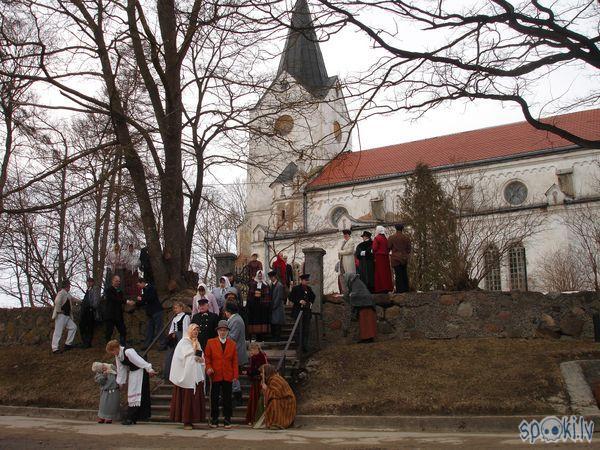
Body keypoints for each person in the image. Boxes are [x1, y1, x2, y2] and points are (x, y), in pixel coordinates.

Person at [106, 339, 156, 425]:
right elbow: (121, 369)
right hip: (133, 373)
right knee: (132, 393)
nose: (113, 353)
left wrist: (149, 369)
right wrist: (120, 382)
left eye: (112, 351)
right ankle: (132, 417)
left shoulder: (128, 352)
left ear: (116, 348)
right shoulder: (118, 356)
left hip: (140, 372)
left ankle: (133, 417)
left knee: (139, 394)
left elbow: (139, 361)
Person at [169, 323, 206, 430]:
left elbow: (199, 356)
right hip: (186, 374)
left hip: (196, 373)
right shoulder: (184, 342)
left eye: (197, 330)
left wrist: (201, 359)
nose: (196, 332)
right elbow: (182, 356)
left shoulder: (197, 343)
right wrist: (192, 351)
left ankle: (194, 419)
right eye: (194, 330)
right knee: (187, 397)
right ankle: (186, 420)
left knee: (195, 397)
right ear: (190, 330)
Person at [204, 320, 239, 429]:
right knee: (214, 398)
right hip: (215, 374)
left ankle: (227, 419)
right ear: (217, 331)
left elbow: (234, 361)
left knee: (227, 398)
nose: (223, 332)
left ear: (227, 332)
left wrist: (235, 375)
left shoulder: (232, 344)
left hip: (228, 375)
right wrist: (208, 368)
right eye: (221, 330)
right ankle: (214, 419)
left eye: (224, 330)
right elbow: (207, 358)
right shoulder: (210, 342)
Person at [224, 301, 248, 406]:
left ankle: (237, 396)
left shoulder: (236, 321)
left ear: (228, 311)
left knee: (234, 376)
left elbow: (233, 337)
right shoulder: (234, 319)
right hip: (233, 352)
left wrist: (222, 338)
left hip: (236, 352)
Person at [343, 273, 377, 343]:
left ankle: (367, 338)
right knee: (366, 323)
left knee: (365, 323)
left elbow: (356, 294)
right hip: (367, 304)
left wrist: (349, 297)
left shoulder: (356, 283)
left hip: (365, 305)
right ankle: (367, 338)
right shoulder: (356, 282)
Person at [260, 364, 296, 429]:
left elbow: (276, 394)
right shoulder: (271, 379)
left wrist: (266, 389)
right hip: (282, 399)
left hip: (287, 402)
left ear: (267, 373)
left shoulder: (275, 380)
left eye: (262, 373)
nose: (261, 375)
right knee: (271, 401)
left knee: (274, 403)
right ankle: (272, 422)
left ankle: (277, 423)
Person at [51, 280, 81, 354]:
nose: (70, 287)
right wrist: (59, 310)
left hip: (67, 316)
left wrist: (81, 301)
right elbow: (57, 301)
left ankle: (68, 344)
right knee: (58, 331)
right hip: (61, 316)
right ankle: (55, 348)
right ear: (66, 286)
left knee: (73, 327)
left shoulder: (67, 294)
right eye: (69, 285)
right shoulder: (61, 293)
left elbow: (73, 299)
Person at [163, 301, 190, 380]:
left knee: (180, 355)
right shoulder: (174, 318)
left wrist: (185, 340)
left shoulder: (185, 317)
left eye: (176, 308)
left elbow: (185, 329)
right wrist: (170, 336)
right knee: (170, 354)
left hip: (181, 337)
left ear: (181, 308)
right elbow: (171, 329)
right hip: (174, 338)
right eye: (174, 308)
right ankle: (168, 374)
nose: (175, 309)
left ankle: (180, 373)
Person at [289, 274, 315, 353]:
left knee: (306, 330)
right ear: (302, 280)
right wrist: (299, 301)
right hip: (298, 312)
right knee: (298, 330)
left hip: (306, 312)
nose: (307, 282)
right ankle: (299, 346)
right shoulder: (296, 288)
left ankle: (305, 346)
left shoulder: (309, 289)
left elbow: (313, 297)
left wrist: (310, 303)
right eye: (306, 280)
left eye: (307, 280)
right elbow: (290, 297)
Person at [136, 278, 164, 350]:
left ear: (142, 282)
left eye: (139, 285)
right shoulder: (145, 290)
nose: (138, 287)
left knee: (159, 328)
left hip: (157, 311)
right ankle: (147, 344)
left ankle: (162, 344)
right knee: (149, 329)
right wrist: (137, 302)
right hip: (150, 313)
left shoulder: (151, 288)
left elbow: (150, 298)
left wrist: (141, 299)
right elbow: (145, 300)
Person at [245, 342, 268, 425]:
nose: (251, 352)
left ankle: (257, 418)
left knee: (258, 399)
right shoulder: (255, 357)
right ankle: (253, 418)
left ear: (256, 349)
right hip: (256, 380)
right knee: (254, 399)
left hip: (259, 381)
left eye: (252, 350)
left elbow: (261, 369)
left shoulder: (260, 357)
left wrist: (248, 372)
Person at [247, 270, 271, 341]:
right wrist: (254, 295)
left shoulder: (266, 284)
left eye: (261, 275)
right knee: (256, 321)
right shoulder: (253, 283)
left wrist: (262, 296)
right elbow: (250, 295)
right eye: (259, 275)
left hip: (263, 306)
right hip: (255, 306)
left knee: (263, 321)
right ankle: (257, 337)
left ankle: (263, 337)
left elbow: (268, 295)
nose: (260, 277)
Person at [388, 223, 412, 293]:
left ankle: (400, 290)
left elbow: (388, 247)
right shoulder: (406, 237)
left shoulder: (392, 237)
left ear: (396, 228)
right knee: (404, 274)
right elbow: (409, 249)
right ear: (402, 229)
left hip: (395, 258)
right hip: (404, 258)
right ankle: (406, 289)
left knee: (398, 275)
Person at [104, 275, 127, 345]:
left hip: (118, 315)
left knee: (123, 330)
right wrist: (126, 301)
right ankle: (108, 346)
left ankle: (123, 345)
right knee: (109, 332)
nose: (118, 283)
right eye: (116, 281)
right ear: (112, 281)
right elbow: (115, 299)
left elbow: (121, 300)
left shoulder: (120, 291)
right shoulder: (108, 290)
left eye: (119, 281)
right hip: (110, 315)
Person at [80, 277, 101, 348]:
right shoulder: (88, 290)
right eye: (88, 282)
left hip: (90, 311)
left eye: (90, 282)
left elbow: (96, 301)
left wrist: (92, 307)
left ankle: (87, 343)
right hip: (85, 311)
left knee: (89, 327)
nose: (88, 283)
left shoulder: (95, 289)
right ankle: (85, 342)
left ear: (92, 282)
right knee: (82, 326)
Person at [372, 226, 394, 293]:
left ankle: (380, 288)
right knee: (386, 272)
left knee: (379, 272)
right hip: (385, 257)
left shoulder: (377, 238)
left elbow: (374, 248)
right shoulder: (385, 238)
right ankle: (387, 287)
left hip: (379, 257)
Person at [269, 270, 286, 342]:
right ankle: (274, 337)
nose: (271, 278)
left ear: (275, 277)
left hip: (278, 307)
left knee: (278, 322)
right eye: (270, 277)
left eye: (272, 277)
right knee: (274, 322)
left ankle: (277, 337)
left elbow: (279, 297)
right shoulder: (271, 285)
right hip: (273, 306)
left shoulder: (279, 285)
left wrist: (274, 306)